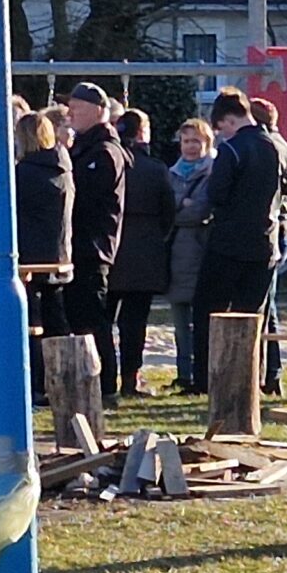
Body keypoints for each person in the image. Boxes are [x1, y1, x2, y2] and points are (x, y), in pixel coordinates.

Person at [188, 89, 282, 383]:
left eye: (221, 128)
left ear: (229, 120)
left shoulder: (232, 150)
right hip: (265, 242)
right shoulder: (276, 146)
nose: (221, 134)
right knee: (252, 316)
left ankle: (205, 378)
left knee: (209, 311)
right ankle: (251, 378)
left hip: (228, 243)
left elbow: (217, 193)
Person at [62, 82, 129, 388]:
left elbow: (86, 198)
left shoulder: (104, 152)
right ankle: (92, 378)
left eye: (77, 107)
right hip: (81, 245)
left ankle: (104, 381)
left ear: (99, 111)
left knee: (93, 319)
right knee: (81, 317)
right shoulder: (84, 148)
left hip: (92, 247)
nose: (70, 113)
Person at [108, 107, 174, 399]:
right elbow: (168, 212)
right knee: (135, 322)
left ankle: (104, 376)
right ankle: (130, 378)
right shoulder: (156, 169)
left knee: (103, 319)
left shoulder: (110, 161)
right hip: (145, 250)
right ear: (143, 133)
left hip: (110, 248)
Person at [246, 96, 287, 394]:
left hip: (273, 228)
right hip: (283, 227)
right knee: (269, 303)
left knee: (263, 307)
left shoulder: (268, 148)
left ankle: (267, 371)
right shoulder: (283, 146)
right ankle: (272, 373)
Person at [164, 118, 217, 393]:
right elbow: (166, 209)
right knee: (179, 321)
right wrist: (182, 206)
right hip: (175, 253)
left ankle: (201, 372)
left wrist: (184, 208)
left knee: (202, 320)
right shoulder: (171, 173)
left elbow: (200, 211)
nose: (190, 147)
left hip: (202, 250)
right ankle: (183, 373)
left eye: (196, 141)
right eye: (186, 141)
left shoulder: (212, 172)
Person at [12, 110, 74, 340]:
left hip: (30, 258)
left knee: (32, 325)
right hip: (59, 252)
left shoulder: (23, 173)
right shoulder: (63, 169)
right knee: (56, 319)